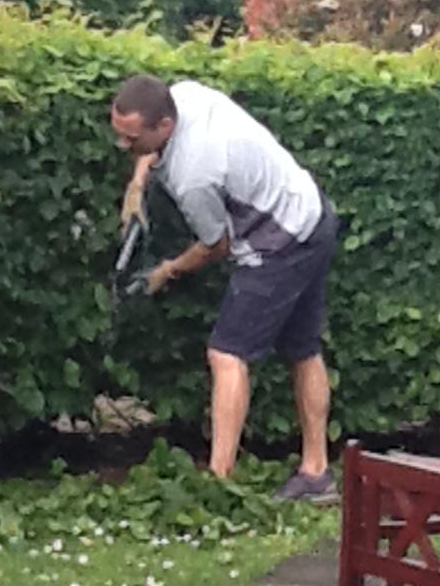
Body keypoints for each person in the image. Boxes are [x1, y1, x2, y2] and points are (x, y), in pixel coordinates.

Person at [110, 74, 341, 502]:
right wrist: (137, 185)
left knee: (227, 354)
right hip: (312, 213)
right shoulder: (183, 94)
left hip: (281, 242)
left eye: (132, 139)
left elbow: (216, 245)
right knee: (302, 348)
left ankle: (219, 484)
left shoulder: (194, 175)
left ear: (164, 125)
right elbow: (153, 147)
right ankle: (316, 473)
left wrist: (166, 271)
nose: (123, 146)